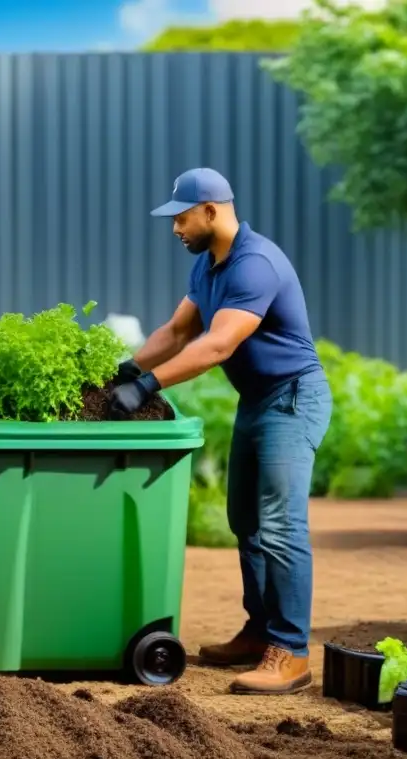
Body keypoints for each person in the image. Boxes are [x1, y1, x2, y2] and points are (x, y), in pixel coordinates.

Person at [110, 168, 332, 695]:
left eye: (181, 217)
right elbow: (178, 330)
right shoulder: (210, 266)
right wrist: (122, 370)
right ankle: (260, 632)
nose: (175, 229)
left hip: (293, 399)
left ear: (211, 210)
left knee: (280, 525)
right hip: (257, 401)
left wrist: (146, 388)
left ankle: (292, 653)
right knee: (246, 521)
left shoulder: (254, 263)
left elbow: (215, 347)